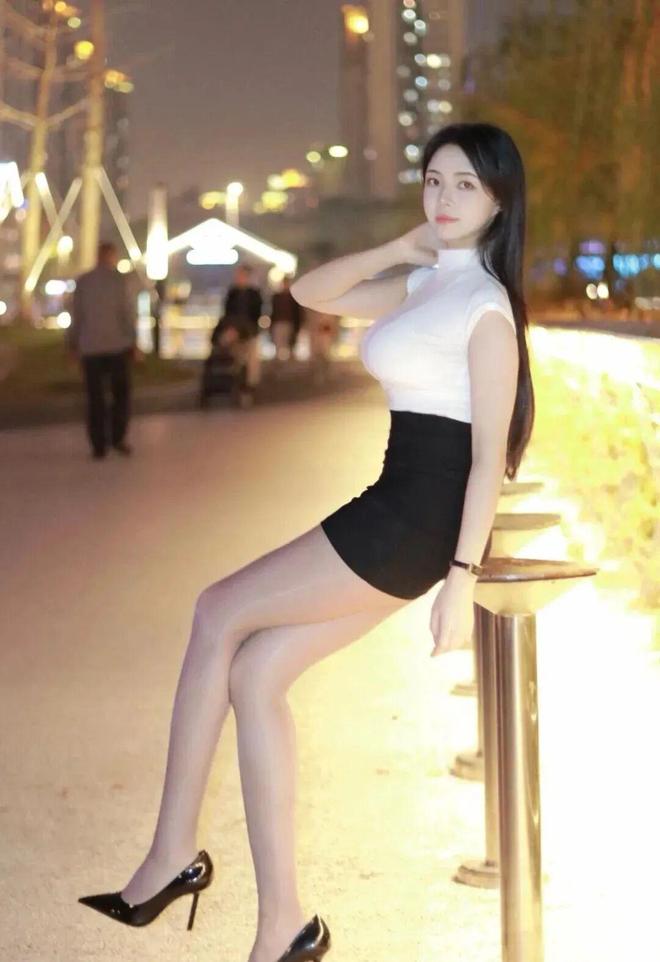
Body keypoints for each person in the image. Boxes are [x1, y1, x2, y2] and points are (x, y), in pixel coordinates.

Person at [78, 123, 535, 962]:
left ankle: (172, 856)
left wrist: (461, 578)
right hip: (393, 503)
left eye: (466, 184)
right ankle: (285, 927)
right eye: (434, 180)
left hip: (415, 521)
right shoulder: (426, 283)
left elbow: (486, 460)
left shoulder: (484, 308)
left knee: (218, 610)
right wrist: (398, 246)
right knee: (256, 673)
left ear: (501, 199)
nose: (443, 198)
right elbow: (312, 292)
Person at [67, 241, 138, 459]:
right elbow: (127, 314)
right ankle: (118, 437)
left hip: (90, 348)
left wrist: (72, 344)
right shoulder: (120, 281)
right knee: (120, 394)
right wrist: (133, 342)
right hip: (117, 346)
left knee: (95, 397)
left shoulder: (83, 282)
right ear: (112, 256)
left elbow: (76, 316)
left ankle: (98, 444)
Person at [211, 263, 263, 406]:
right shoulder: (232, 293)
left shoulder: (254, 294)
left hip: (249, 332)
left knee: (251, 362)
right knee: (232, 357)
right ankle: (233, 384)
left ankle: (248, 389)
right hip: (233, 332)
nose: (239, 277)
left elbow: (256, 315)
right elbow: (227, 314)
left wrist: (246, 330)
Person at [269, 275, 303, 361]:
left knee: (290, 345)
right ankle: (278, 362)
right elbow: (273, 312)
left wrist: (298, 326)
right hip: (278, 323)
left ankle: (290, 362)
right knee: (278, 344)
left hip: (290, 323)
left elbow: (298, 313)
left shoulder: (294, 297)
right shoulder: (277, 297)